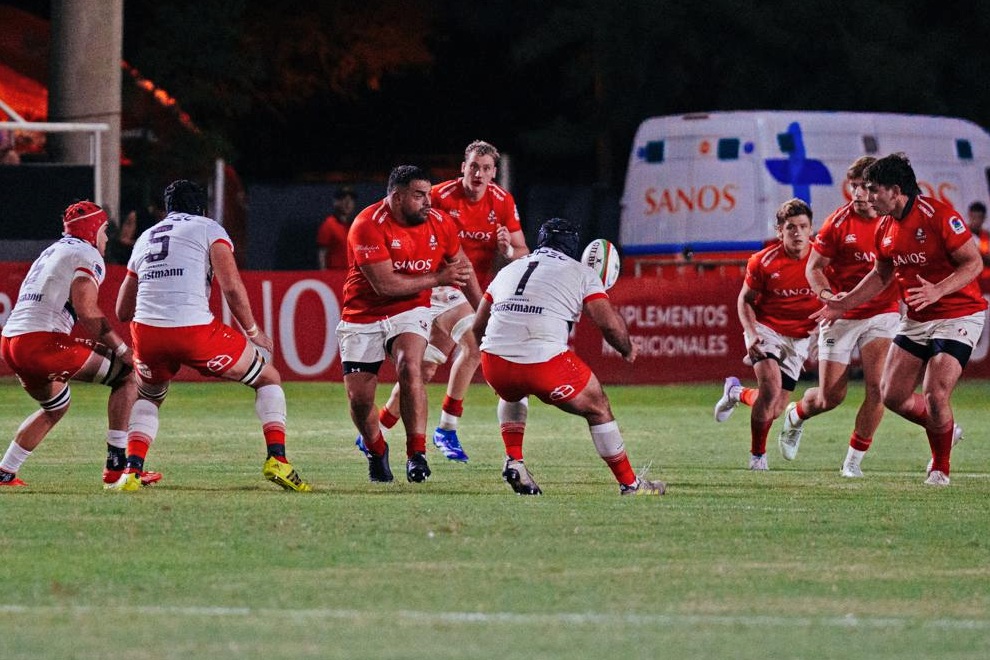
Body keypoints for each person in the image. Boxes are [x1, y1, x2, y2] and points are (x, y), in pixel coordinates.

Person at [107, 179, 310, 492]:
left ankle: (132, 471)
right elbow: (230, 286)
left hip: (147, 334)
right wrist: (254, 332)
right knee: (268, 377)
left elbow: (122, 310)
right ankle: (277, 459)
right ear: (202, 207)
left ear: (166, 209)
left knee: (148, 395)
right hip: (193, 330)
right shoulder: (208, 227)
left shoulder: (146, 237)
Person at [812, 153, 986, 486]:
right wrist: (841, 304)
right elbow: (880, 275)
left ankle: (940, 468)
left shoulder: (938, 216)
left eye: (873, 189)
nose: (866, 196)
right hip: (919, 318)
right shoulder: (885, 229)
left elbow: (972, 263)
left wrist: (938, 290)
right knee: (891, 395)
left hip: (958, 312)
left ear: (895, 190)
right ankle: (945, 430)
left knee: (935, 394)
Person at [472, 217, 665, 496]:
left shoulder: (509, 269)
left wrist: (492, 364)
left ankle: (515, 461)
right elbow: (608, 323)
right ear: (574, 246)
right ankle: (630, 484)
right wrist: (627, 349)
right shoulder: (581, 272)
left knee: (512, 393)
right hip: (542, 363)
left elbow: (478, 326)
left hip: (495, 360)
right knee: (598, 406)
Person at [370, 140, 529, 463]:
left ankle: (378, 429)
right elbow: (406, 226)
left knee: (424, 371)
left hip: (469, 290)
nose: (479, 174)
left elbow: (521, 250)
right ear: (463, 167)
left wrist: (507, 251)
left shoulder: (501, 202)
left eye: (486, 169)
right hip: (437, 284)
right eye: (473, 166)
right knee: (474, 342)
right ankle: (447, 427)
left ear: (494, 173)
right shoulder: (439, 196)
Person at [0, 201, 160, 488]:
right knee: (128, 376)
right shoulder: (86, 253)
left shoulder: (51, 251)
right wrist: (122, 350)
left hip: (11, 342)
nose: (107, 237)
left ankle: (5, 472)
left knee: (56, 406)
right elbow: (87, 311)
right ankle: (117, 468)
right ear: (93, 229)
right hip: (41, 342)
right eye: (105, 230)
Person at [338, 165, 477, 483]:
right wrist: (439, 277)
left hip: (411, 309)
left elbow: (461, 265)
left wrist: (480, 309)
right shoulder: (367, 225)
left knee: (410, 366)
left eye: (429, 194)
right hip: (364, 313)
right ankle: (376, 449)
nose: (428, 201)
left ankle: (417, 454)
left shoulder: (440, 223)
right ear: (397, 197)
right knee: (359, 401)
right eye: (419, 195)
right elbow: (384, 286)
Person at [771, 157, 903, 477]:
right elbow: (813, 268)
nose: (858, 193)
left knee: (879, 388)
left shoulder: (896, 220)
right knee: (832, 397)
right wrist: (829, 297)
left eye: (864, 186)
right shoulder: (837, 224)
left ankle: (852, 463)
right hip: (841, 314)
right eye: (853, 186)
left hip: (882, 313)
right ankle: (796, 414)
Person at [713, 199, 818, 471]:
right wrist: (750, 334)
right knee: (770, 389)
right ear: (779, 230)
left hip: (800, 338)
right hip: (767, 330)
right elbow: (744, 300)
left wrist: (821, 331)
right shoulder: (763, 262)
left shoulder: (822, 260)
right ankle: (758, 456)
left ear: (811, 229)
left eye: (803, 227)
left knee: (774, 409)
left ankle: (736, 392)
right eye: (790, 227)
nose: (797, 233)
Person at [316, 186, 358, 269]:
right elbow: (322, 253)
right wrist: (323, 276)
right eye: (343, 199)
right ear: (336, 202)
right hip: (335, 274)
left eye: (351, 200)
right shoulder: (328, 224)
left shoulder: (356, 225)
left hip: (352, 274)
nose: (347, 203)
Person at [965, 201, 990, 270]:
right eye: (973, 217)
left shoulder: (987, 236)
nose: (976, 221)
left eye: (979, 217)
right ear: (969, 216)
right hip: (970, 277)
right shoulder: (963, 234)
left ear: (984, 218)